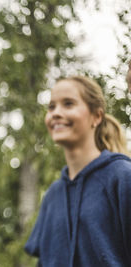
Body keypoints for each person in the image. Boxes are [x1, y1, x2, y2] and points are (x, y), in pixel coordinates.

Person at [25, 76, 131, 266]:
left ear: (96, 116)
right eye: (51, 107)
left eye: (68, 104)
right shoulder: (52, 196)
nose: (56, 113)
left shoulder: (122, 176)